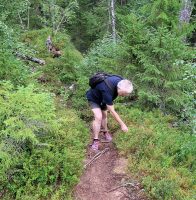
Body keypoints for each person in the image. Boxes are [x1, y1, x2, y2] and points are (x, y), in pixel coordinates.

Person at [86, 74, 133, 150]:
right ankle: (95, 140)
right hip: (94, 98)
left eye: (126, 94)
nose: (124, 95)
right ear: (119, 88)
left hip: (103, 99)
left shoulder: (121, 81)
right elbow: (112, 111)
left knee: (104, 115)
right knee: (98, 116)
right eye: (124, 94)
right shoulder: (107, 90)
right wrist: (122, 124)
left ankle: (105, 132)